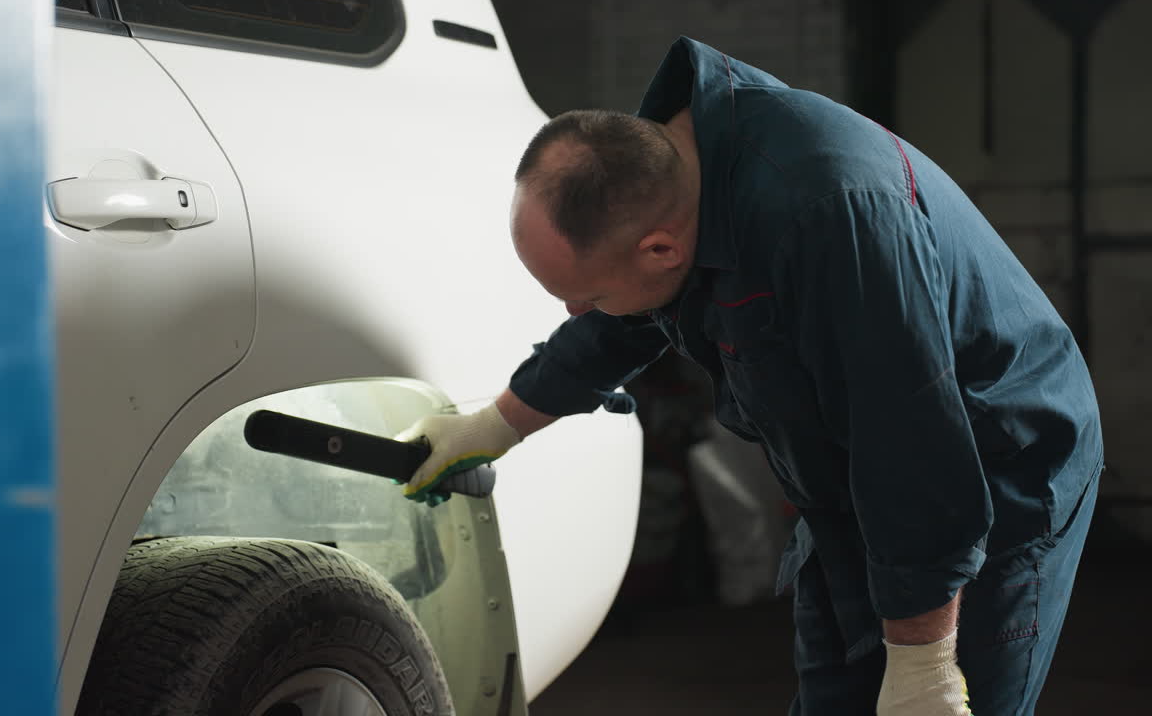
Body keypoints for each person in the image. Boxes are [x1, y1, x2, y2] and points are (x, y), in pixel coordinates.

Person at [395, 37, 1103, 715]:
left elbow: (912, 455)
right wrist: (496, 424)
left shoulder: (834, 217)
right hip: (856, 480)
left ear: (662, 248)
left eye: (587, 295)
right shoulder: (669, 178)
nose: (580, 312)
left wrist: (923, 664)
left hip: (993, 461)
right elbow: (620, 319)